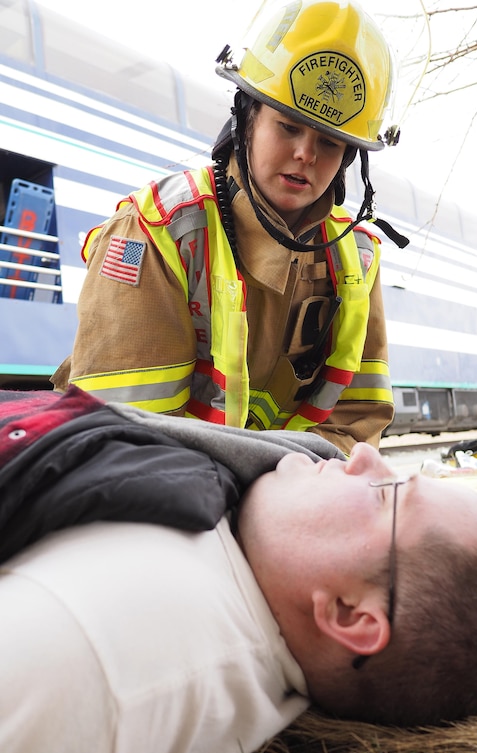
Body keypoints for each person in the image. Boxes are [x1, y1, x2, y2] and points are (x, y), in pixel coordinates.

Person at [0, 385, 477, 753]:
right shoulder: (246, 563)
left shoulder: (99, 652)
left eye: (390, 493)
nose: (361, 455)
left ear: (349, 614)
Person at [51, 0, 418, 455]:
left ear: (349, 159)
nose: (306, 154)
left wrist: (286, 488)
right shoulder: (154, 231)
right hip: (156, 496)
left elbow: (356, 425)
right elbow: (121, 436)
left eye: (329, 142)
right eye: (288, 127)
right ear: (246, 120)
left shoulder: (357, 257)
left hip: (290, 496)